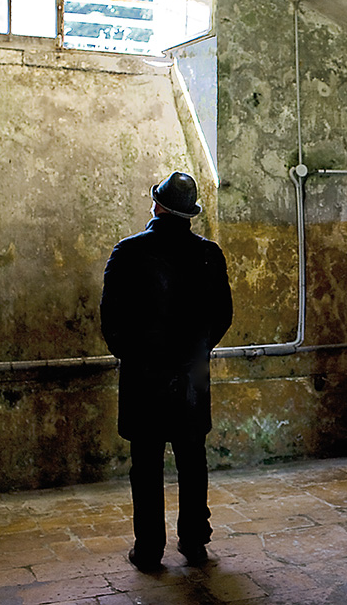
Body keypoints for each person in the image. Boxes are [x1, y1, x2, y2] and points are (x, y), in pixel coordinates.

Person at [100, 171, 233, 571]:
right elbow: (223, 316)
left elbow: (111, 320)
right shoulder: (209, 254)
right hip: (191, 378)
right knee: (192, 459)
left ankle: (149, 549)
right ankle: (193, 541)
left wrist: (136, 356)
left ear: (157, 205)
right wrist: (195, 352)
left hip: (145, 378)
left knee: (146, 464)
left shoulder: (127, 252)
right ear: (189, 214)